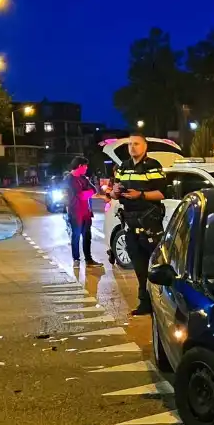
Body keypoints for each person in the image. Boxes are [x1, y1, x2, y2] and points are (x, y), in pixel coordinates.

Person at [110, 133, 168, 316]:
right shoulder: (123, 167)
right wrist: (115, 191)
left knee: (156, 266)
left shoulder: (153, 166)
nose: (132, 147)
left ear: (145, 146)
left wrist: (140, 195)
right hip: (130, 222)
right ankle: (145, 303)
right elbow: (113, 193)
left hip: (149, 221)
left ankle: (163, 303)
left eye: (136, 144)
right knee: (139, 266)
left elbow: (161, 193)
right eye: (129, 144)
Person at [65, 156, 101, 266]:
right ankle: (76, 259)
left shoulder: (83, 178)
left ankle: (88, 259)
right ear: (80, 166)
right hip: (75, 212)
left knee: (87, 236)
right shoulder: (69, 179)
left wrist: (86, 192)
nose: (86, 169)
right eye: (85, 166)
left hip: (86, 212)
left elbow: (94, 190)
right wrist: (86, 192)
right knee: (76, 236)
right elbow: (79, 195)